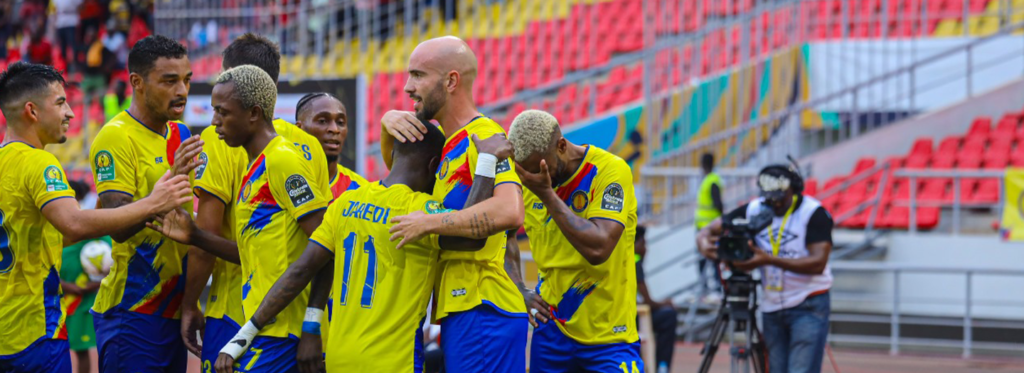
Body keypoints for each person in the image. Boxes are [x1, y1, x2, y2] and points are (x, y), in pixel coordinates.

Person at [200, 123, 516, 373]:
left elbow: (301, 270)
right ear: (435, 165)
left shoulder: (346, 203)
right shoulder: (421, 211)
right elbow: (474, 235)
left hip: (338, 358)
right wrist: (486, 161)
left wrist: (243, 336)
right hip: (394, 362)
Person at [0, 61, 192, 373]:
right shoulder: (39, 163)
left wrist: (108, 201)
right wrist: (154, 202)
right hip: (35, 333)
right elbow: (73, 223)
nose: (70, 114)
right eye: (61, 103)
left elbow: (64, 235)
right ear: (32, 112)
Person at [155, 64, 332, 373]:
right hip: (262, 328)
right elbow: (253, 256)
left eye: (223, 112)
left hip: (283, 333)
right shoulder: (254, 170)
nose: (214, 121)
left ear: (253, 113)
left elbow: (327, 245)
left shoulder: (282, 160)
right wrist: (195, 235)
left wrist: (312, 326)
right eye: (214, 111)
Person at [379, 35, 527, 372]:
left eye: (417, 75)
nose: (407, 87)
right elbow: (397, 176)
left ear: (451, 81)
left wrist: (428, 223)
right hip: (465, 309)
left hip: (483, 308)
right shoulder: (449, 145)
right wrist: (388, 122)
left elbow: (509, 211)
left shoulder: (485, 137)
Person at [88, 35, 204, 373]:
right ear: (137, 83)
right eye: (169, 81)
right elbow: (117, 226)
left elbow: (182, 217)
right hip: (133, 309)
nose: (181, 90)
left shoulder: (181, 134)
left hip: (173, 306)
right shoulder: (116, 136)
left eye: (186, 80)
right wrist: (161, 194)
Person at [696, 164, 834, 373]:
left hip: (808, 303)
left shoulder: (814, 213)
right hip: (771, 308)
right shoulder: (755, 209)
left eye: (780, 197)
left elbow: (818, 263)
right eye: (769, 197)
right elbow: (710, 228)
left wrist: (767, 260)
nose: (774, 202)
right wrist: (703, 240)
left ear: (794, 189)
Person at [60, 179, 109, 373]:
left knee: (82, 349)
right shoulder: (60, 223)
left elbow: (108, 260)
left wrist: (95, 283)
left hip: (81, 301)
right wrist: (66, 285)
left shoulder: (90, 227)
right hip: (64, 296)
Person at [635, 226, 678, 373]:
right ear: (635, 244)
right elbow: (648, 302)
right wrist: (666, 303)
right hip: (630, 318)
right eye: (644, 244)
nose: (646, 249)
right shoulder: (635, 261)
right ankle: (662, 366)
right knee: (669, 316)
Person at [696, 152, 724, 295]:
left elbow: (718, 203)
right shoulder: (708, 179)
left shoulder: (712, 180)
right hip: (703, 226)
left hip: (709, 227)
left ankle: (716, 289)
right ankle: (705, 289)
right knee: (703, 259)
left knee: (712, 257)